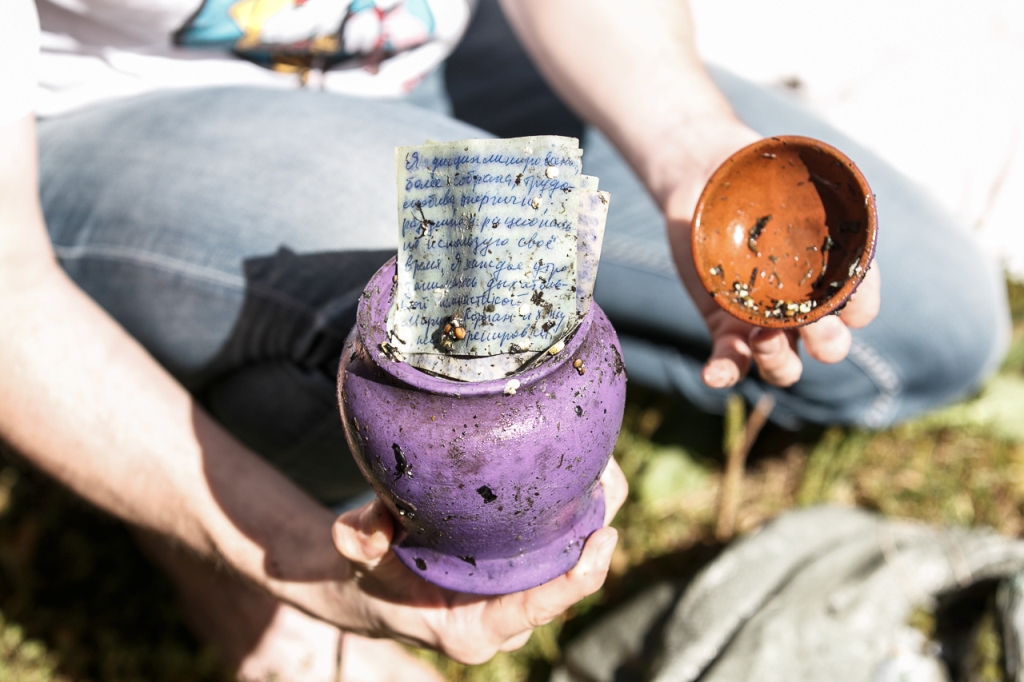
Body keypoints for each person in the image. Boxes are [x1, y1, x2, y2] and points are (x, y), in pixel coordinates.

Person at [0, 0, 1008, 679]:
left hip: (439, 65)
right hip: (103, 121)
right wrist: (289, 557)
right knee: (434, 268)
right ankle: (210, 477)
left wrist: (683, 148)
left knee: (934, 323)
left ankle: (479, 360)